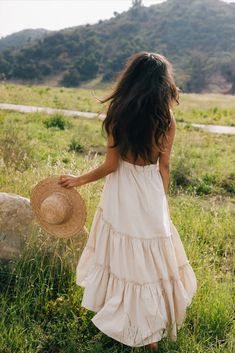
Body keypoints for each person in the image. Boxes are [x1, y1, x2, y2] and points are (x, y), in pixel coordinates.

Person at [59, 51, 197, 351]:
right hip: (150, 189)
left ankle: (128, 322)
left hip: (122, 189)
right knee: (153, 258)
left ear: (131, 79)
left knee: (124, 257)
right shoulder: (166, 118)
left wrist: (78, 180)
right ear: (163, 83)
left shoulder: (118, 115)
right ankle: (151, 332)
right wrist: (161, 201)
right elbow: (165, 166)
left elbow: (110, 166)